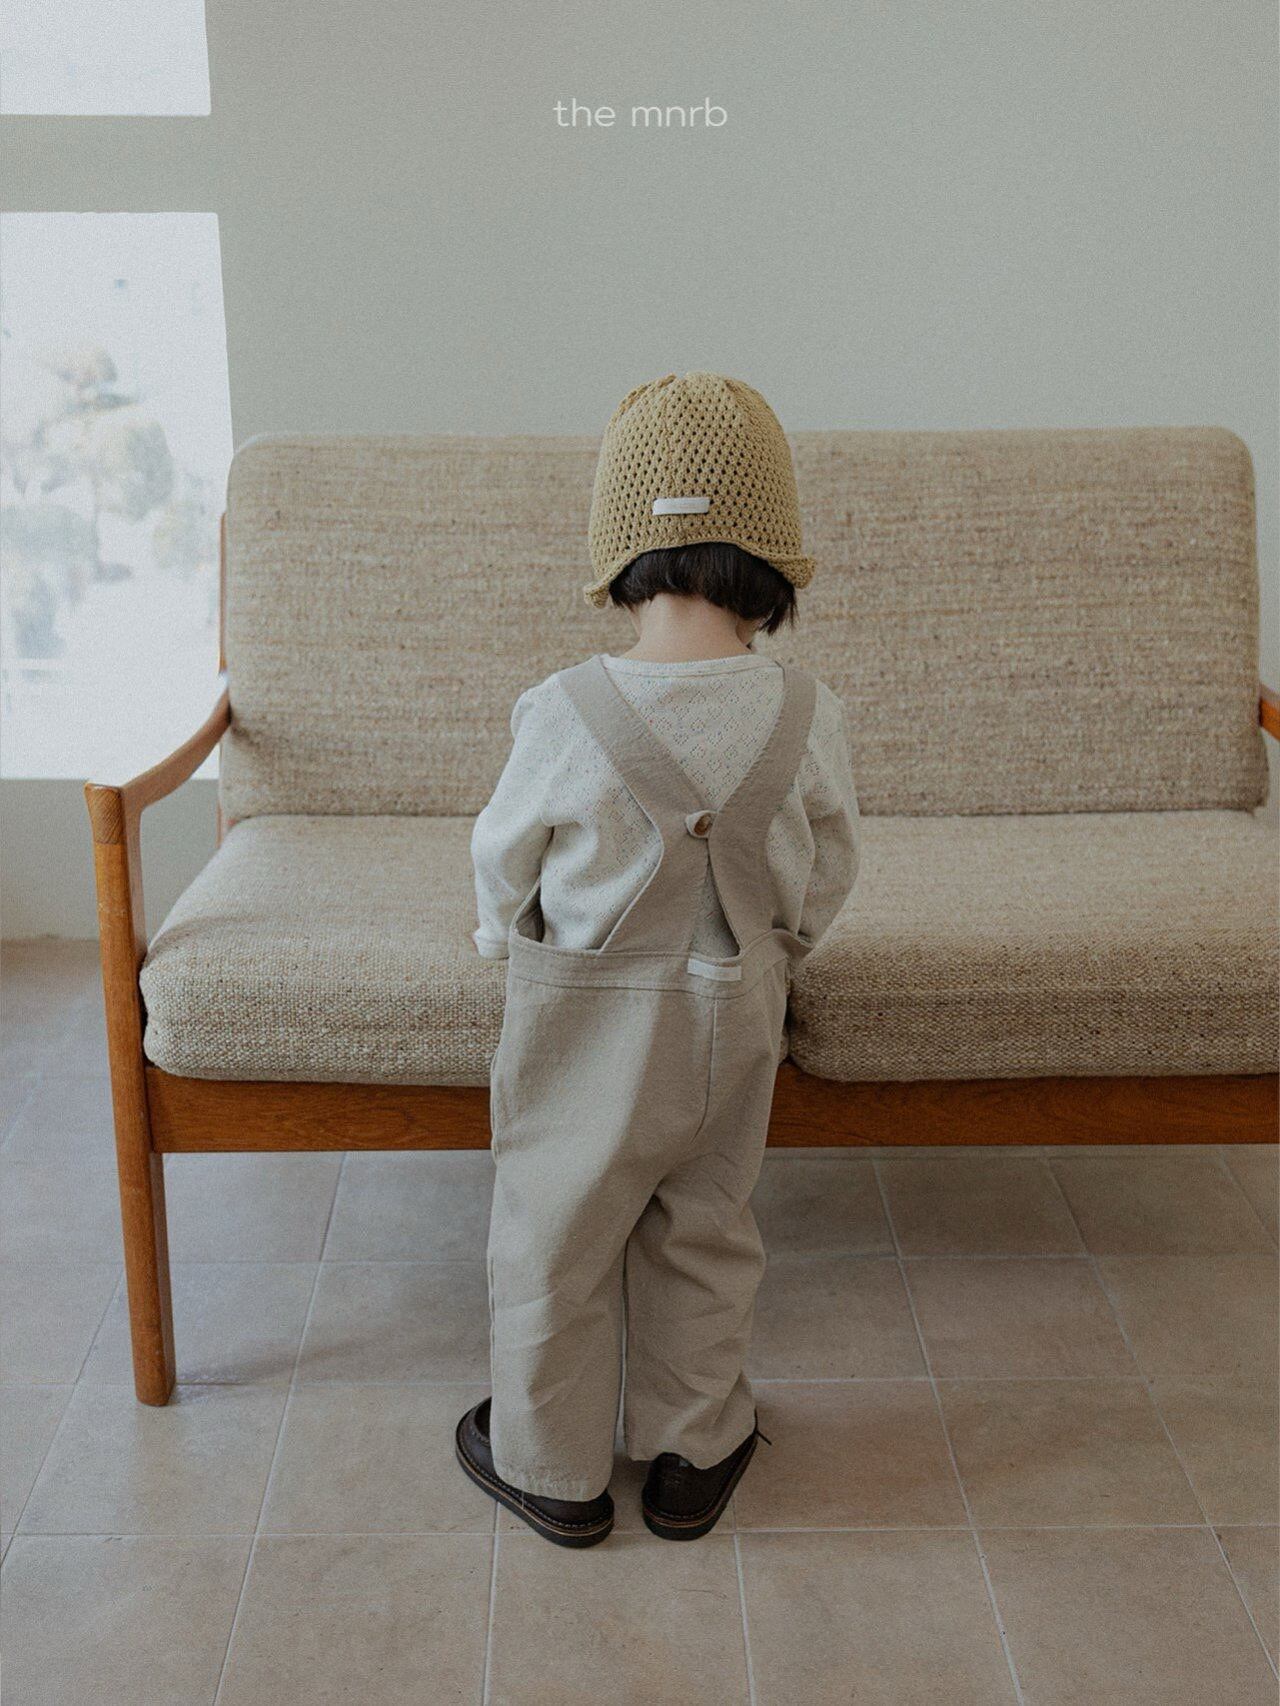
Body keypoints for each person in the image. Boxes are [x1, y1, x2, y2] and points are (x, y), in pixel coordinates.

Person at [456, 371, 860, 1546]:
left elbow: (502, 858)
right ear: (772, 559)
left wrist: (496, 938)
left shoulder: (562, 707)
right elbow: (830, 865)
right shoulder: (804, 708)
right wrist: (783, 944)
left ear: (617, 550)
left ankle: (553, 1468)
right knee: (705, 1224)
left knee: (555, 1234)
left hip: (581, 1028)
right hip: (733, 1019)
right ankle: (695, 1450)